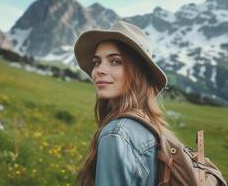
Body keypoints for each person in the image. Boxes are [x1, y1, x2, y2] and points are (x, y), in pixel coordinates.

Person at [73, 20, 177, 186]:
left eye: (115, 61)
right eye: (97, 62)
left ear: (137, 73)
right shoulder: (150, 124)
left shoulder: (116, 134)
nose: (99, 70)